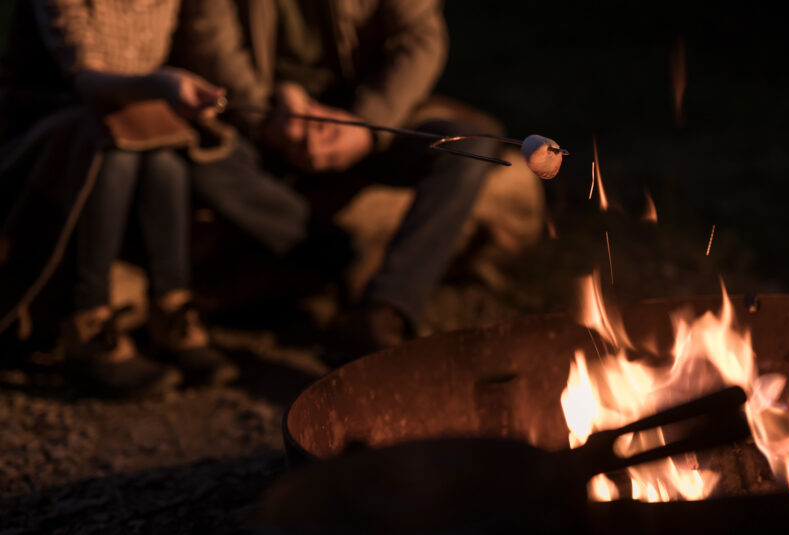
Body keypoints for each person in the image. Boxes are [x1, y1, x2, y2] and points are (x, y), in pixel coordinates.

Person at [174, 0, 499, 362]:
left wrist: (367, 125)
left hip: (357, 114)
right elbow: (209, 44)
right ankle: (343, 260)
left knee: (467, 149)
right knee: (198, 160)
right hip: (260, 122)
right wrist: (268, 114)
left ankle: (385, 308)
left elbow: (421, 37)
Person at [0, 0, 238, 396]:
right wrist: (160, 84)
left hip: (132, 122)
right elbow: (88, 78)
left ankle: (171, 310)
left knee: (165, 155)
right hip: (49, 127)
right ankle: (88, 322)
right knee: (114, 149)